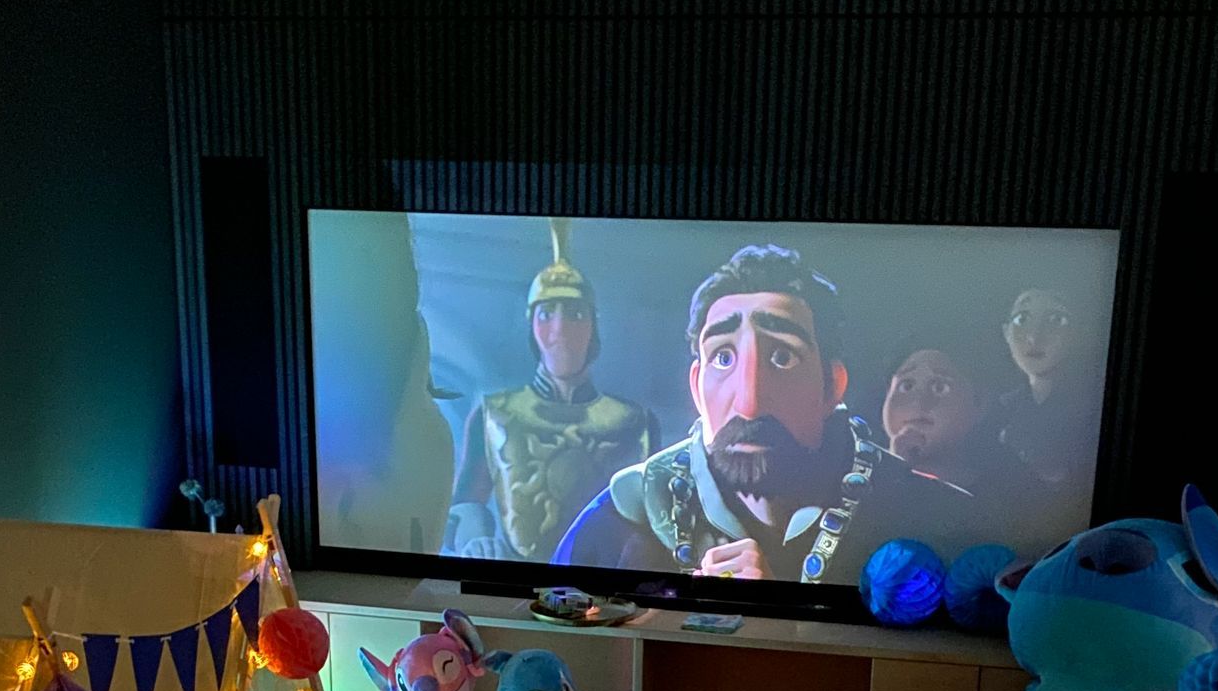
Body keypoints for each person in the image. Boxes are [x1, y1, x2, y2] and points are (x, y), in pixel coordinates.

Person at [558, 245, 977, 582]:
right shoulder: (624, 517)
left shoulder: (926, 517)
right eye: (723, 358)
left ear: (833, 386)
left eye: (782, 357)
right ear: (697, 387)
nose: (749, 403)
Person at [443, 238, 654, 562]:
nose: (560, 328)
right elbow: (465, 505)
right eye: (546, 314)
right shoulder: (495, 414)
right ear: (532, 324)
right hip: (514, 580)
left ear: (593, 325)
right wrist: (477, 541)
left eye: (575, 314)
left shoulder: (634, 422)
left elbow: (653, 517)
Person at [881, 345, 1053, 540]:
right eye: (906, 386)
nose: (918, 402)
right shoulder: (864, 473)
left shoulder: (1010, 496)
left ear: (980, 402)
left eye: (939, 387)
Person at [994, 287, 1097, 490]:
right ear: (1006, 332)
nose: (1034, 337)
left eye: (1055, 319)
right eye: (1022, 319)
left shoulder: (1091, 409)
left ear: (1078, 332)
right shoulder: (1001, 409)